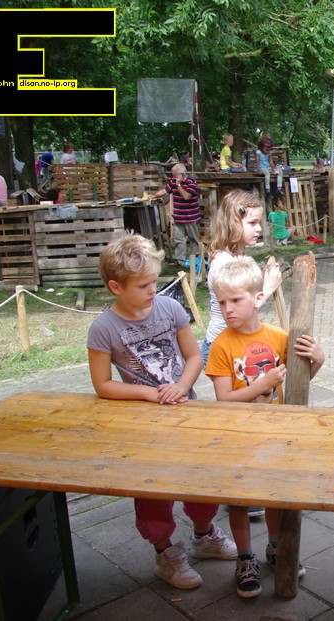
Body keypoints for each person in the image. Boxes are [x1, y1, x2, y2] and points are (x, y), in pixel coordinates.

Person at [86, 234, 236, 590]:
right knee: (152, 490)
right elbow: (102, 384)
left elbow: (194, 356)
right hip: (143, 428)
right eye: (143, 285)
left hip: (186, 413)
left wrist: (182, 386)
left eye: (154, 281)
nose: (153, 289)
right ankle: (165, 552)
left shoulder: (169, 309)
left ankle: (204, 534)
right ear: (116, 287)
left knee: (201, 478)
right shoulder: (103, 328)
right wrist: (149, 393)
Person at [204, 255, 325, 598]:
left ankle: (275, 546)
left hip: (275, 435)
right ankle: (245, 558)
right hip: (238, 437)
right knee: (239, 501)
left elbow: (298, 381)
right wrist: (262, 384)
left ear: (258, 298)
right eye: (222, 302)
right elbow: (224, 399)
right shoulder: (221, 345)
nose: (228, 309)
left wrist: (318, 359)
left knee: (273, 495)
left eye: (235, 300)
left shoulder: (279, 337)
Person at [201, 189, 282, 369]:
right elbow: (240, 309)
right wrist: (268, 288)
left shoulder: (235, 256)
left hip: (234, 342)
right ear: (233, 223)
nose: (259, 228)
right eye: (252, 223)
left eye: (259, 222)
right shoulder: (224, 262)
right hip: (222, 347)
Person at [151, 164, 200, 268]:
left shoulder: (191, 182)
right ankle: (180, 262)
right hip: (178, 217)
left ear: (181, 174)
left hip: (191, 217)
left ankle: (195, 261)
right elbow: (165, 191)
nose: (173, 177)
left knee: (193, 240)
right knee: (179, 240)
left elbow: (186, 196)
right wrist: (153, 196)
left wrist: (178, 185)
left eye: (174, 175)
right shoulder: (173, 181)